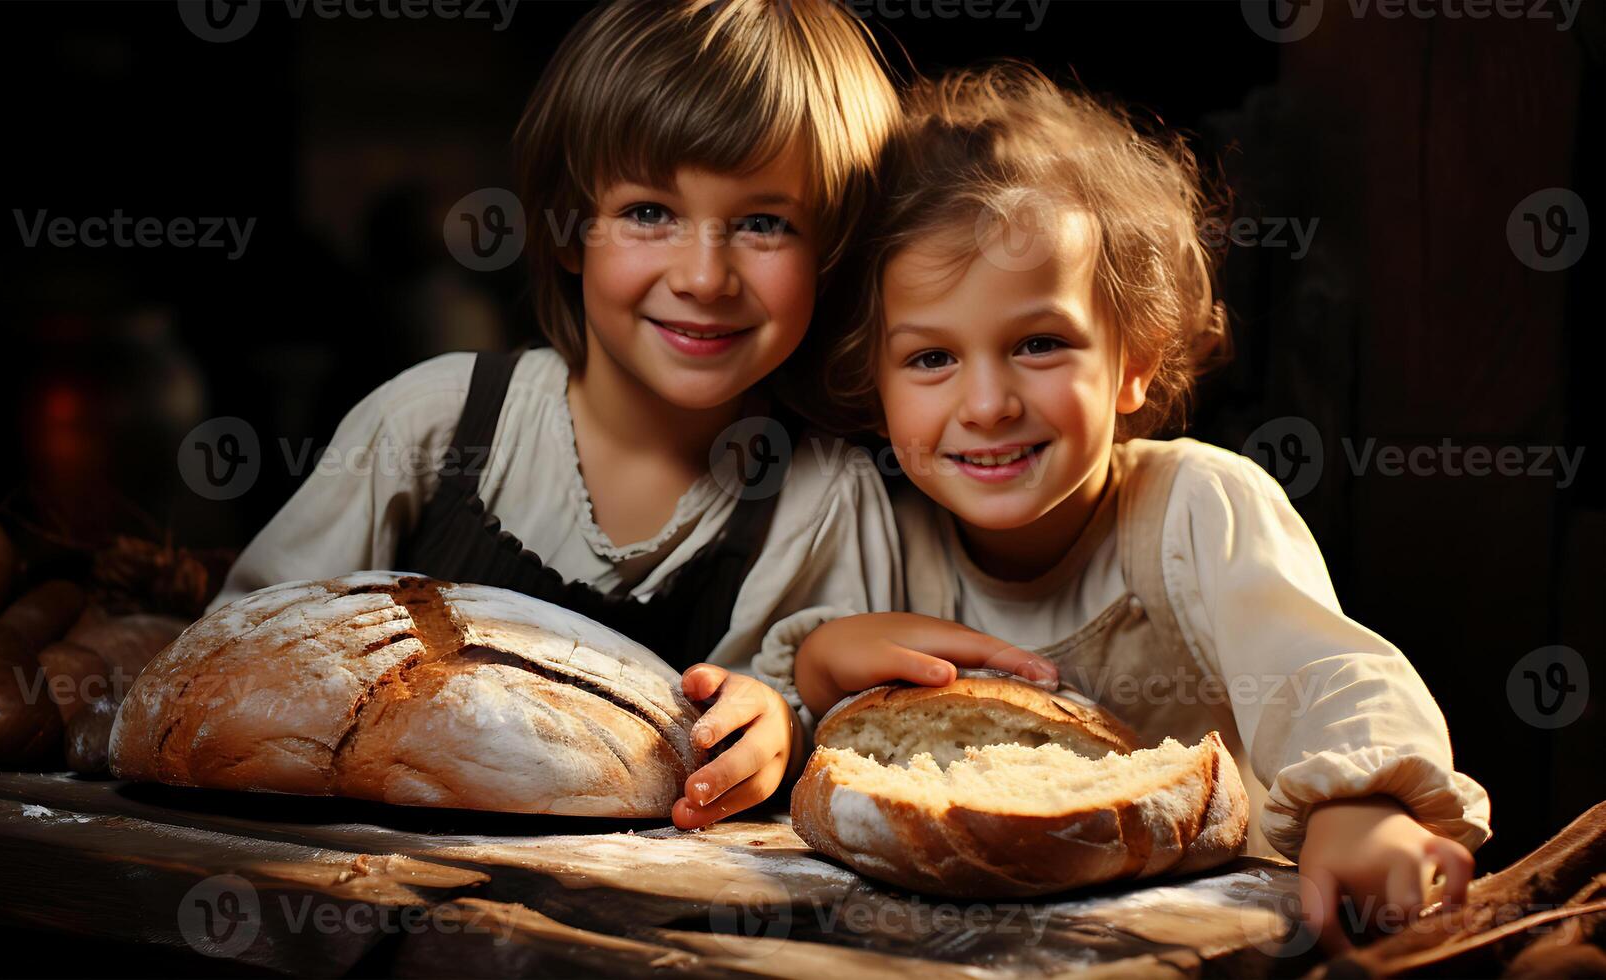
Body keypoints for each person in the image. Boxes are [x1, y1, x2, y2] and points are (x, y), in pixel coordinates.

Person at [211, 0, 1011, 831]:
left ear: (833, 253)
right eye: (648, 213)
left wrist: (779, 729)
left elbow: (841, 726)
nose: (704, 276)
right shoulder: (438, 420)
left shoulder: (822, 499)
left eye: (765, 223)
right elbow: (240, 657)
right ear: (569, 228)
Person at [769, 62, 1491, 948]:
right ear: (871, 381)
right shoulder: (874, 526)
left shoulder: (1197, 507)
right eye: (929, 359)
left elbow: (1325, 676)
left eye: (1039, 343)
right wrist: (815, 664)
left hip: (1204, 944)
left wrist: (1363, 806)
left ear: (1134, 357)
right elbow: (782, 747)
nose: (987, 403)